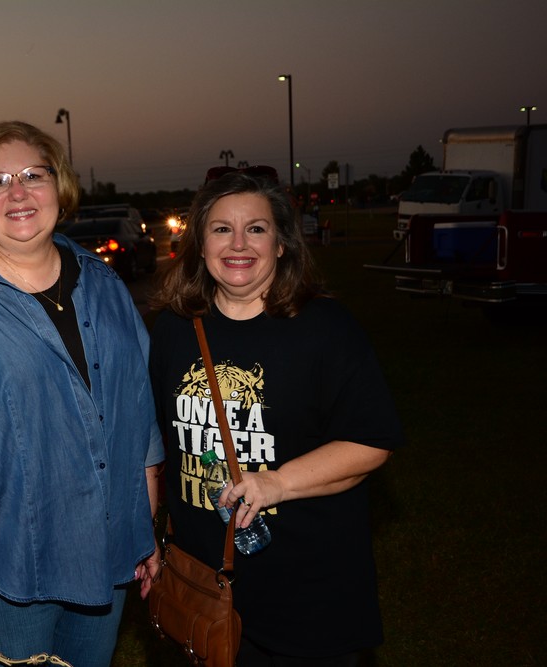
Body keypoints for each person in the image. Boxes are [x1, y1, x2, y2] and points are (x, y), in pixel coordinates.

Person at [0, 120, 164, 667]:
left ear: (60, 185)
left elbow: (139, 421)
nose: (18, 193)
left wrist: (142, 532)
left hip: (107, 559)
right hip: (2, 574)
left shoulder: (105, 285)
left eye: (33, 175)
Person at [148, 168, 404, 666]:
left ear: (282, 243)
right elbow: (156, 445)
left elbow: (372, 439)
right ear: (200, 243)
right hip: (202, 587)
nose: (238, 244)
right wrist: (146, 538)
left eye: (256, 228)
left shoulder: (325, 328)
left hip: (307, 594)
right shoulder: (175, 330)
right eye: (222, 229)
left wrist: (277, 483)